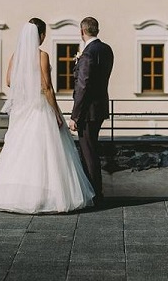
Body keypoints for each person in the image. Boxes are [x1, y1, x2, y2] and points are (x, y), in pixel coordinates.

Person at [0, 18, 94, 214]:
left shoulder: (15, 56)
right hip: (40, 109)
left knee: (20, 151)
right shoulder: (41, 55)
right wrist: (56, 113)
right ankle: (46, 197)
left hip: (22, 110)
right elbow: (47, 87)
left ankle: (16, 196)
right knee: (45, 153)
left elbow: (9, 81)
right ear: (42, 35)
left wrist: (27, 85)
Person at [68, 16, 114, 205]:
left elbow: (83, 86)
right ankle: (94, 191)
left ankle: (95, 194)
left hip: (88, 111)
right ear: (97, 30)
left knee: (89, 153)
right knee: (91, 149)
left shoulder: (88, 53)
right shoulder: (106, 49)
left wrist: (75, 115)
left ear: (82, 31)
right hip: (101, 106)